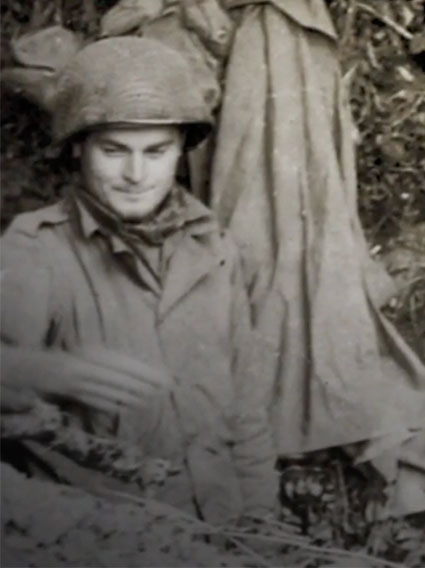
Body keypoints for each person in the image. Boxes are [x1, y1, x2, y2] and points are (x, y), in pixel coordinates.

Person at [0, 36, 279, 527]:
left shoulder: (213, 250)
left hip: (217, 534)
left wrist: (261, 521)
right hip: (96, 541)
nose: (135, 174)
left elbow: (247, 415)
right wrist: (38, 370)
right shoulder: (36, 248)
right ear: (79, 149)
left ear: (179, 152)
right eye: (113, 150)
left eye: (155, 151)